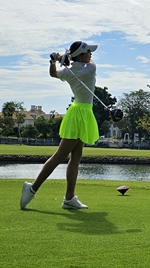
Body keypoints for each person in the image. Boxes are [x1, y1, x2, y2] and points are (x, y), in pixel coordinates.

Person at [20, 40, 100, 210]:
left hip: (81, 112)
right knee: (59, 156)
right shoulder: (89, 68)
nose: (91, 55)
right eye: (88, 52)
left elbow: (53, 74)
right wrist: (65, 57)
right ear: (81, 55)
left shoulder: (69, 71)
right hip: (80, 114)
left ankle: (69, 198)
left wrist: (56, 59)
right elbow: (89, 63)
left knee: (76, 157)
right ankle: (32, 189)